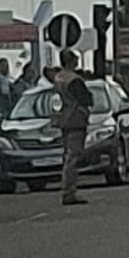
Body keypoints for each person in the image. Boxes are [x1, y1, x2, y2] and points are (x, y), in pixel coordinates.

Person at [52, 51, 94, 206]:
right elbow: (86, 99)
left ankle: (68, 189)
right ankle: (69, 192)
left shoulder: (58, 78)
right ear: (71, 61)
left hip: (63, 119)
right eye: (75, 59)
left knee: (67, 156)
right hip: (76, 119)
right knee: (73, 157)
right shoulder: (75, 80)